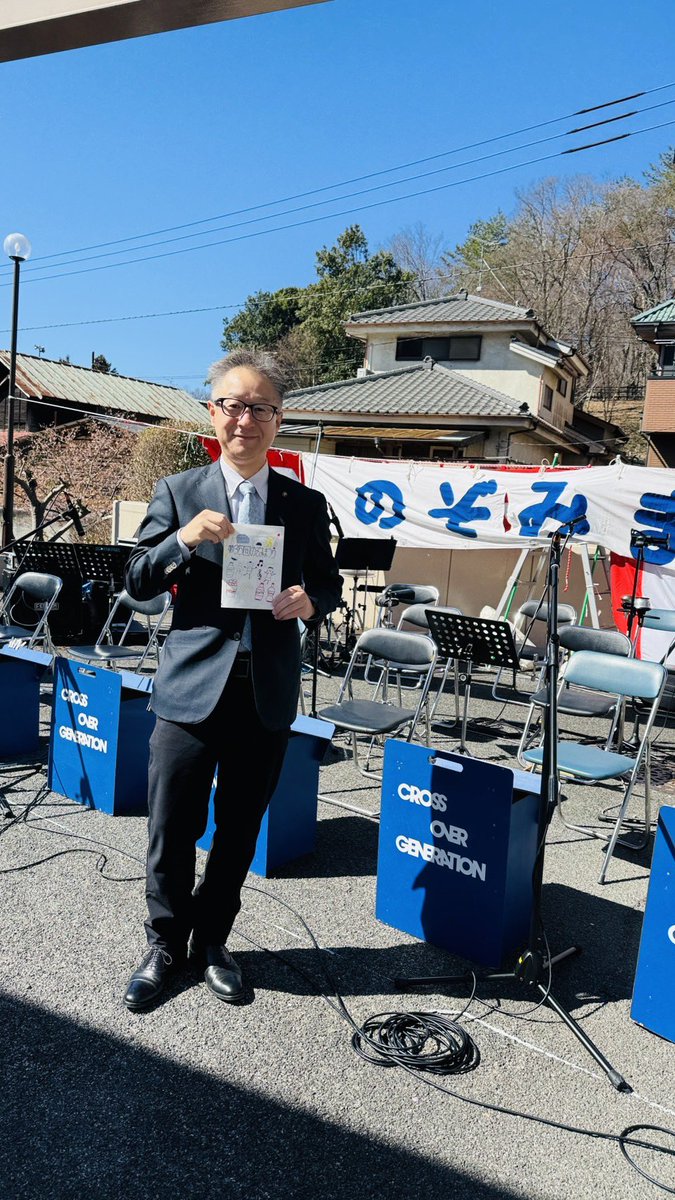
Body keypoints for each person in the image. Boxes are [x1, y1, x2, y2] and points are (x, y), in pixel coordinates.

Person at [123, 348, 342, 1011]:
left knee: (238, 829)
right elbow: (135, 582)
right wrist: (182, 539)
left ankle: (213, 940)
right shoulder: (179, 492)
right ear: (211, 412)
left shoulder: (302, 504)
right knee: (171, 828)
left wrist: (311, 600)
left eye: (259, 408)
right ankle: (165, 943)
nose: (244, 420)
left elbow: (327, 585)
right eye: (231, 405)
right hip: (190, 690)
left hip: (264, 691)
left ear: (278, 420)